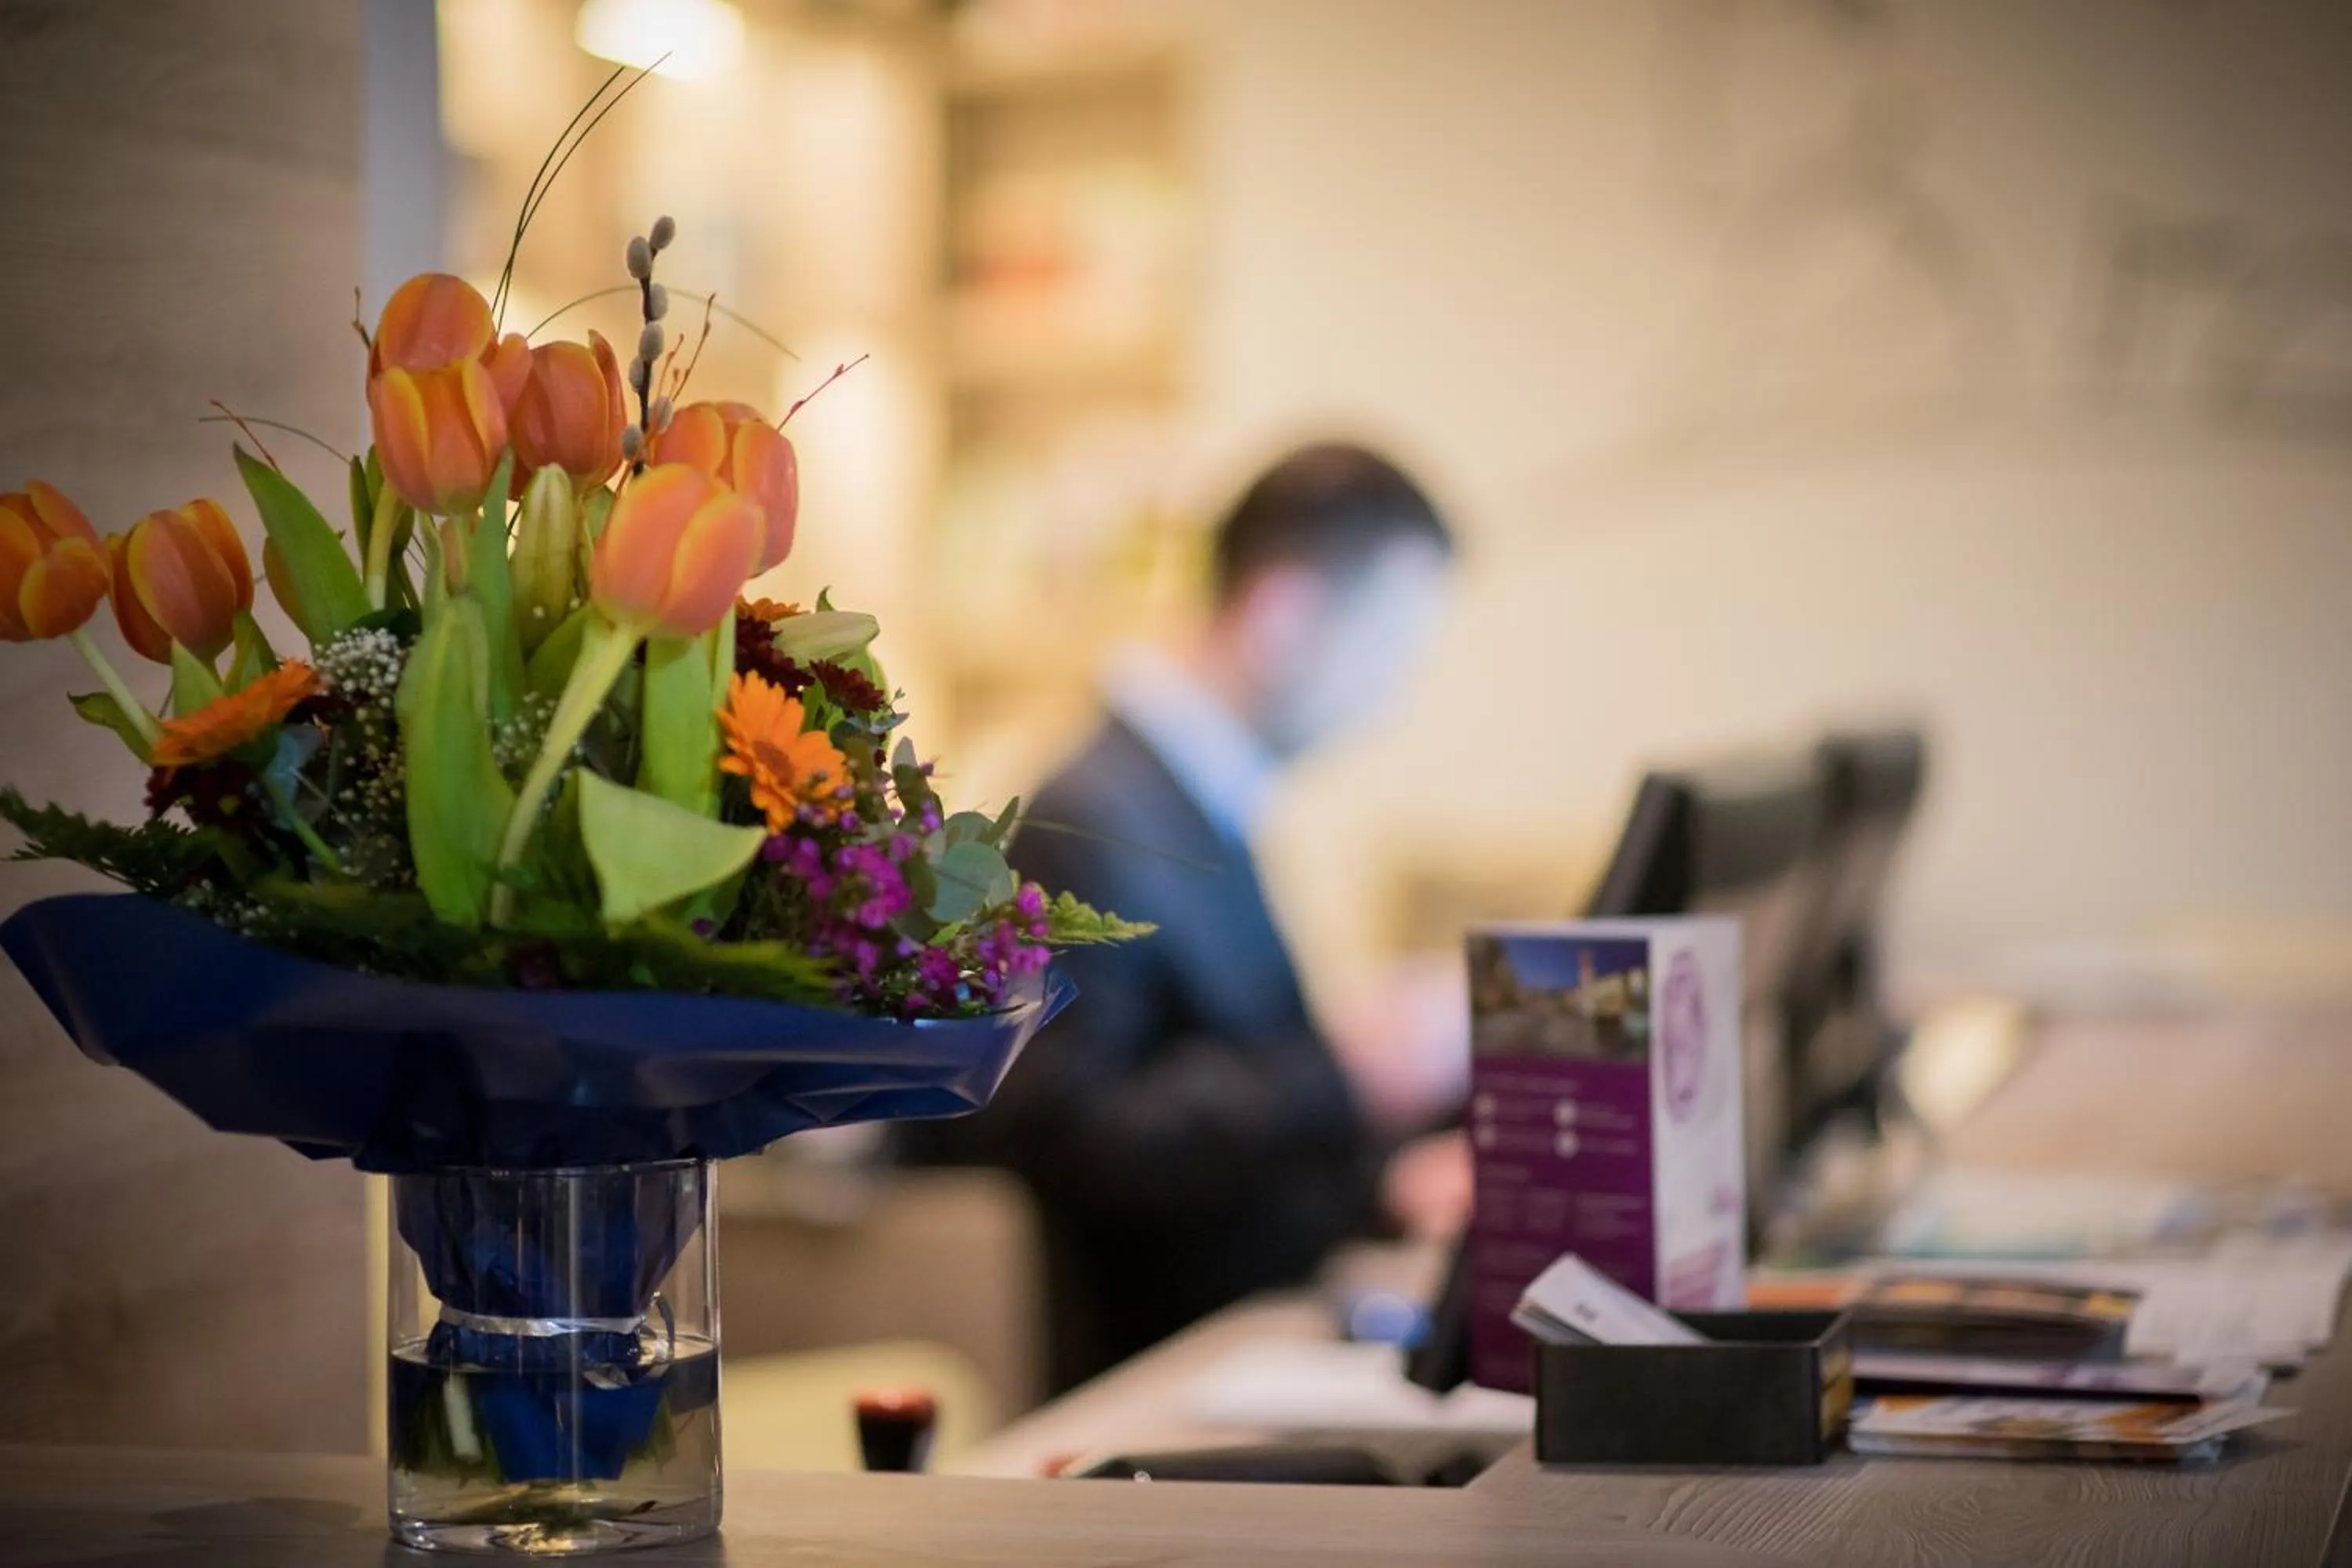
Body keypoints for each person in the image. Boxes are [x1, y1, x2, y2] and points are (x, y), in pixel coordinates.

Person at [905, 441, 1472, 1394]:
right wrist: (1345, 1067)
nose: (1391, 697)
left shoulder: (1189, 798)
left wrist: (1379, 1178)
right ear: (1285, 613)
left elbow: (1209, 1080)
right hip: (1146, 1372)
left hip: (1229, 1336)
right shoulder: (1092, 814)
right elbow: (1071, 1127)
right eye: (1390, 649)